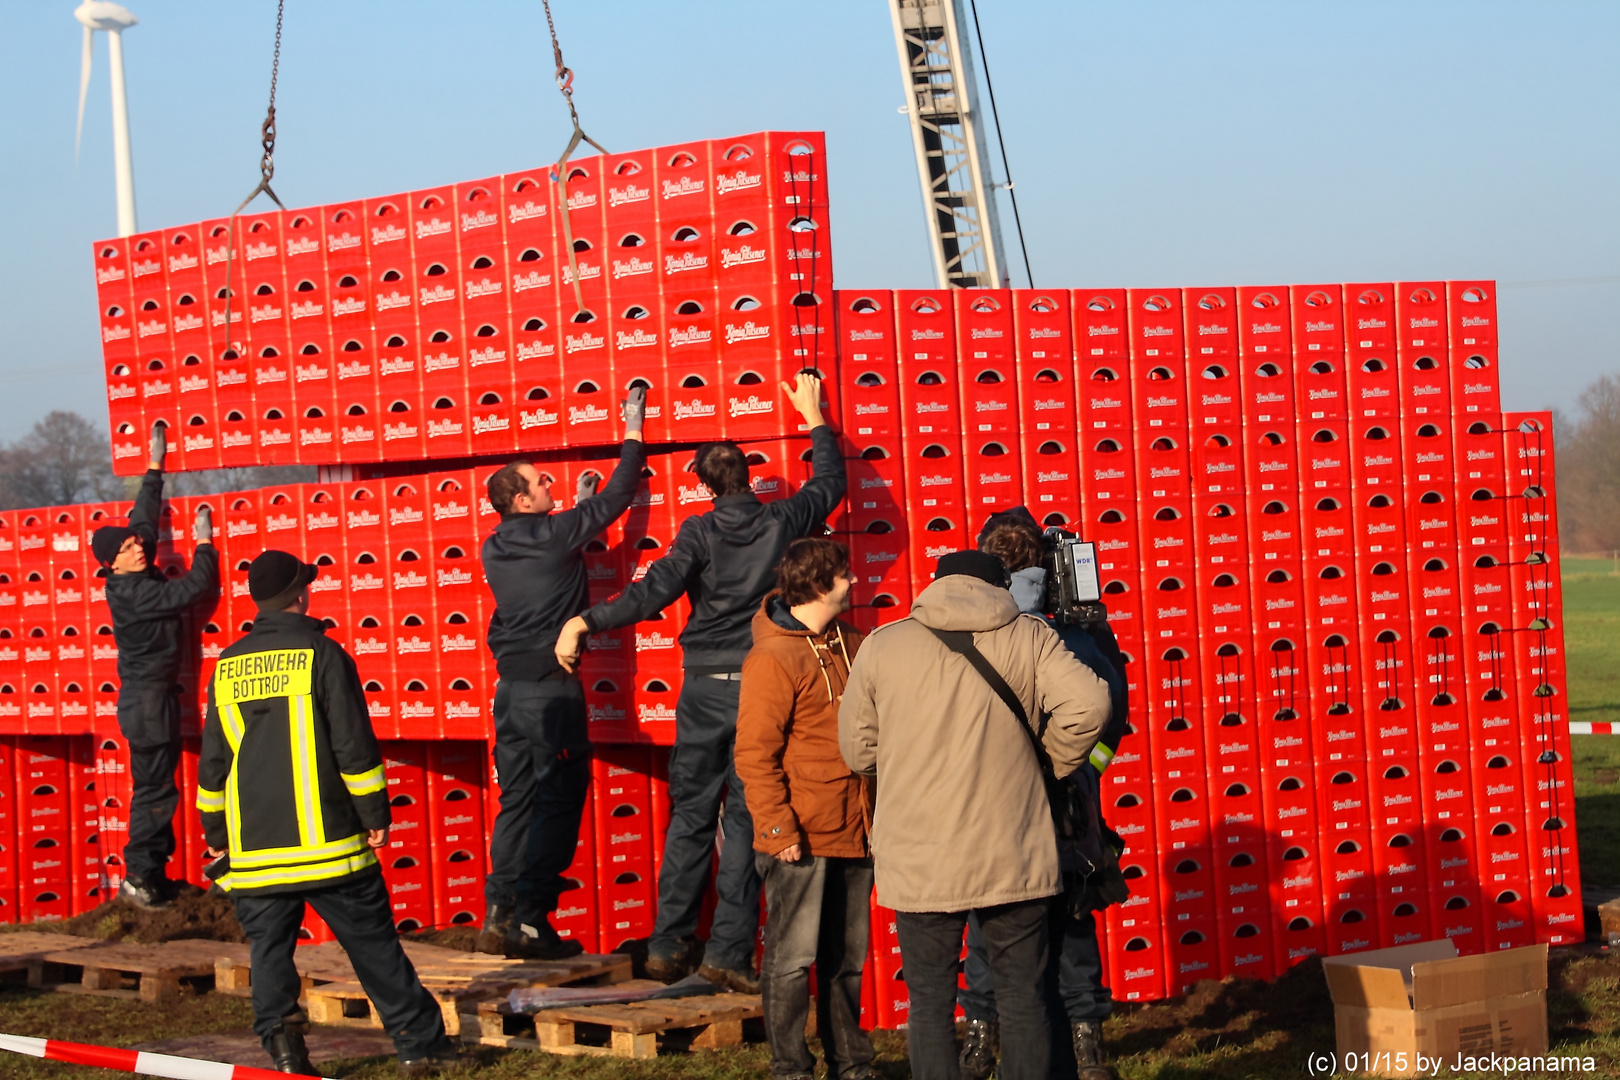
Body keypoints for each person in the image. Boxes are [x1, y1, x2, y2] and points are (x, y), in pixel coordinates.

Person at [555, 372, 846, 991]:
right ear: (748, 476)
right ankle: (729, 954)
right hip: (762, 687)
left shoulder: (699, 532)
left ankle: (667, 945)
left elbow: (651, 594)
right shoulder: (784, 517)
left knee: (690, 814)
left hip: (705, 689)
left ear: (706, 487)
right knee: (744, 820)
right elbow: (831, 484)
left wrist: (586, 620)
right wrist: (814, 415)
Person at [838, 550, 1112, 1080]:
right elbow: (1092, 706)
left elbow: (857, 751)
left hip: (919, 854)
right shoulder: (1029, 636)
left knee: (930, 1004)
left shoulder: (883, 645)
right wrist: (1051, 761)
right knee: (1024, 998)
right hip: (1012, 848)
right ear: (1000, 585)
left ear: (934, 585)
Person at [197, 551, 461, 1077]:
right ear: (301, 595)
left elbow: (214, 764)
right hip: (331, 848)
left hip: (255, 854)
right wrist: (374, 812)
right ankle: (420, 1045)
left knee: (270, 953)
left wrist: (216, 832)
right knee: (374, 948)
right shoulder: (323, 653)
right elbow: (352, 744)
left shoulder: (226, 667)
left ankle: (286, 1053)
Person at [958, 512, 1131, 1080]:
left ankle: (980, 1044)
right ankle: (1087, 1050)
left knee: (991, 925)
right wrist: (1081, 774)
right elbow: (1112, 719)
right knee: (1074, 922)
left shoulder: (965, 633)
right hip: (1070, 816)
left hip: (992, 811)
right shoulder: (1080, 634)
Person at [477, 387, 648, 960]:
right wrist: (632, 426)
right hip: (551, 693)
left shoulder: (493, 546)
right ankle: (531, 917)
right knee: (559, 796)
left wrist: (575, 503)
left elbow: (553, 552)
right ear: (522, 501)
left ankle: (498, 913)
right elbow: (623, 492)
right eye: (540, 481)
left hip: (508, 690)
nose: (548, 482)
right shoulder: (554, 534)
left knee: (518, 798)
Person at [733, 538, 874, 1080]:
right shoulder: (773, 658)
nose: (853, 582)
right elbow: (753, 753)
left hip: (854, 824)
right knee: (792, 960)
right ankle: (791, 1068)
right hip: (801, 834)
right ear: (819, 584)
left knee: (848, 958)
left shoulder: (850, 641)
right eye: (843, 575)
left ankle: (852, 1063)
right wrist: (776, 827)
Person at [94, 421, 219, 908]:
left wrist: (154, 466)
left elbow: (143, 520)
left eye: (133, 543)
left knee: (156, 787)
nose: (137, 546)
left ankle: (151, 874)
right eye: (126, 549)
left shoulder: (134, 566)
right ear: (112, 566)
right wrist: (204, 543)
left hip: (151, 698)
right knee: (154, 791)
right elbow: (193, 589)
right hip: (148, 704)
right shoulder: (134, 593)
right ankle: (141, 876)